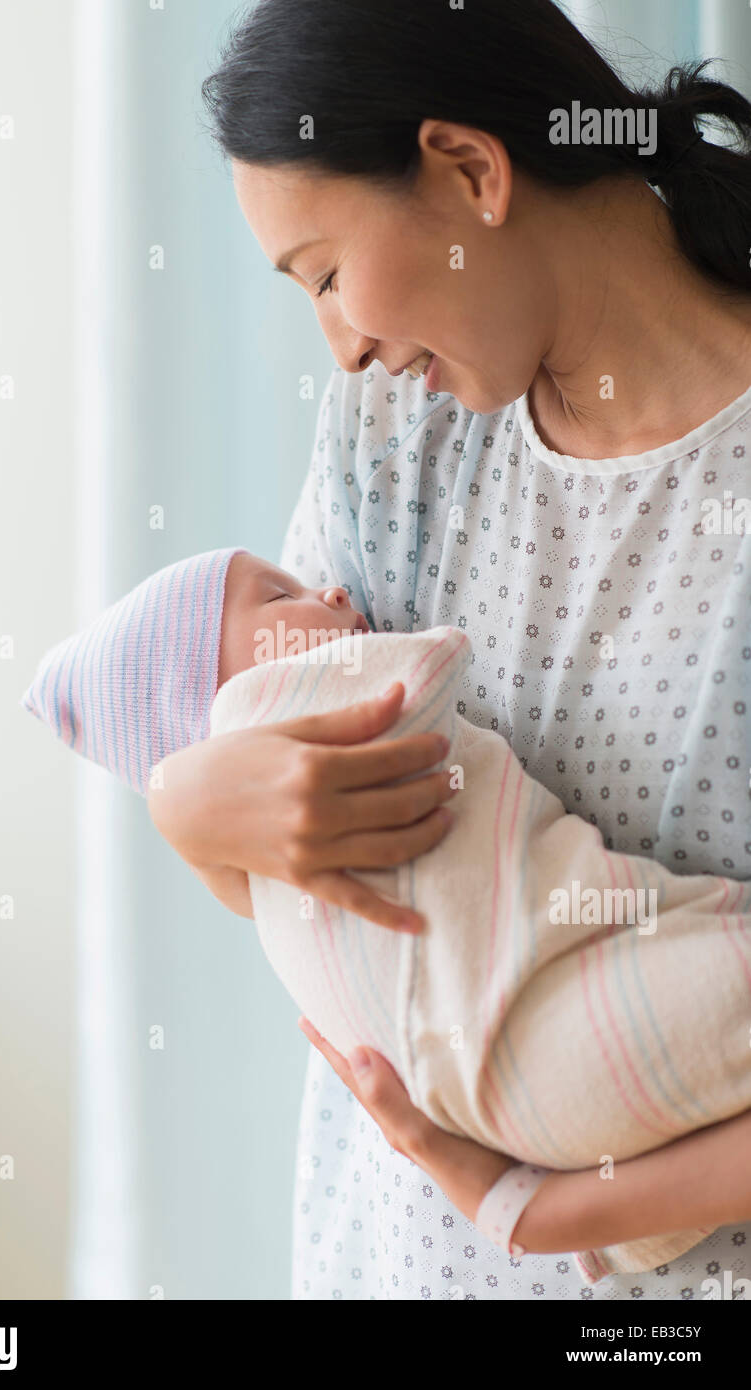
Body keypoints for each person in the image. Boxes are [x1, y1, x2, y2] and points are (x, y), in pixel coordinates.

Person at [155, 0, 751, 1298]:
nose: (343, 342)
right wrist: (195, 811)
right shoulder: (391, 441)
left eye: (323, 273)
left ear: (471, 171)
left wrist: (541, 1209)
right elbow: (341, 889)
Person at [22, 542, 751, 1285]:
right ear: (227, 697)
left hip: (518, 1129)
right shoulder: (305, 702)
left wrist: (177, 794)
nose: (333, 591)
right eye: (282, 599)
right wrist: (180, 792)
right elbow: (426, 674)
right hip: (546, 1029)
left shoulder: (256, 874)